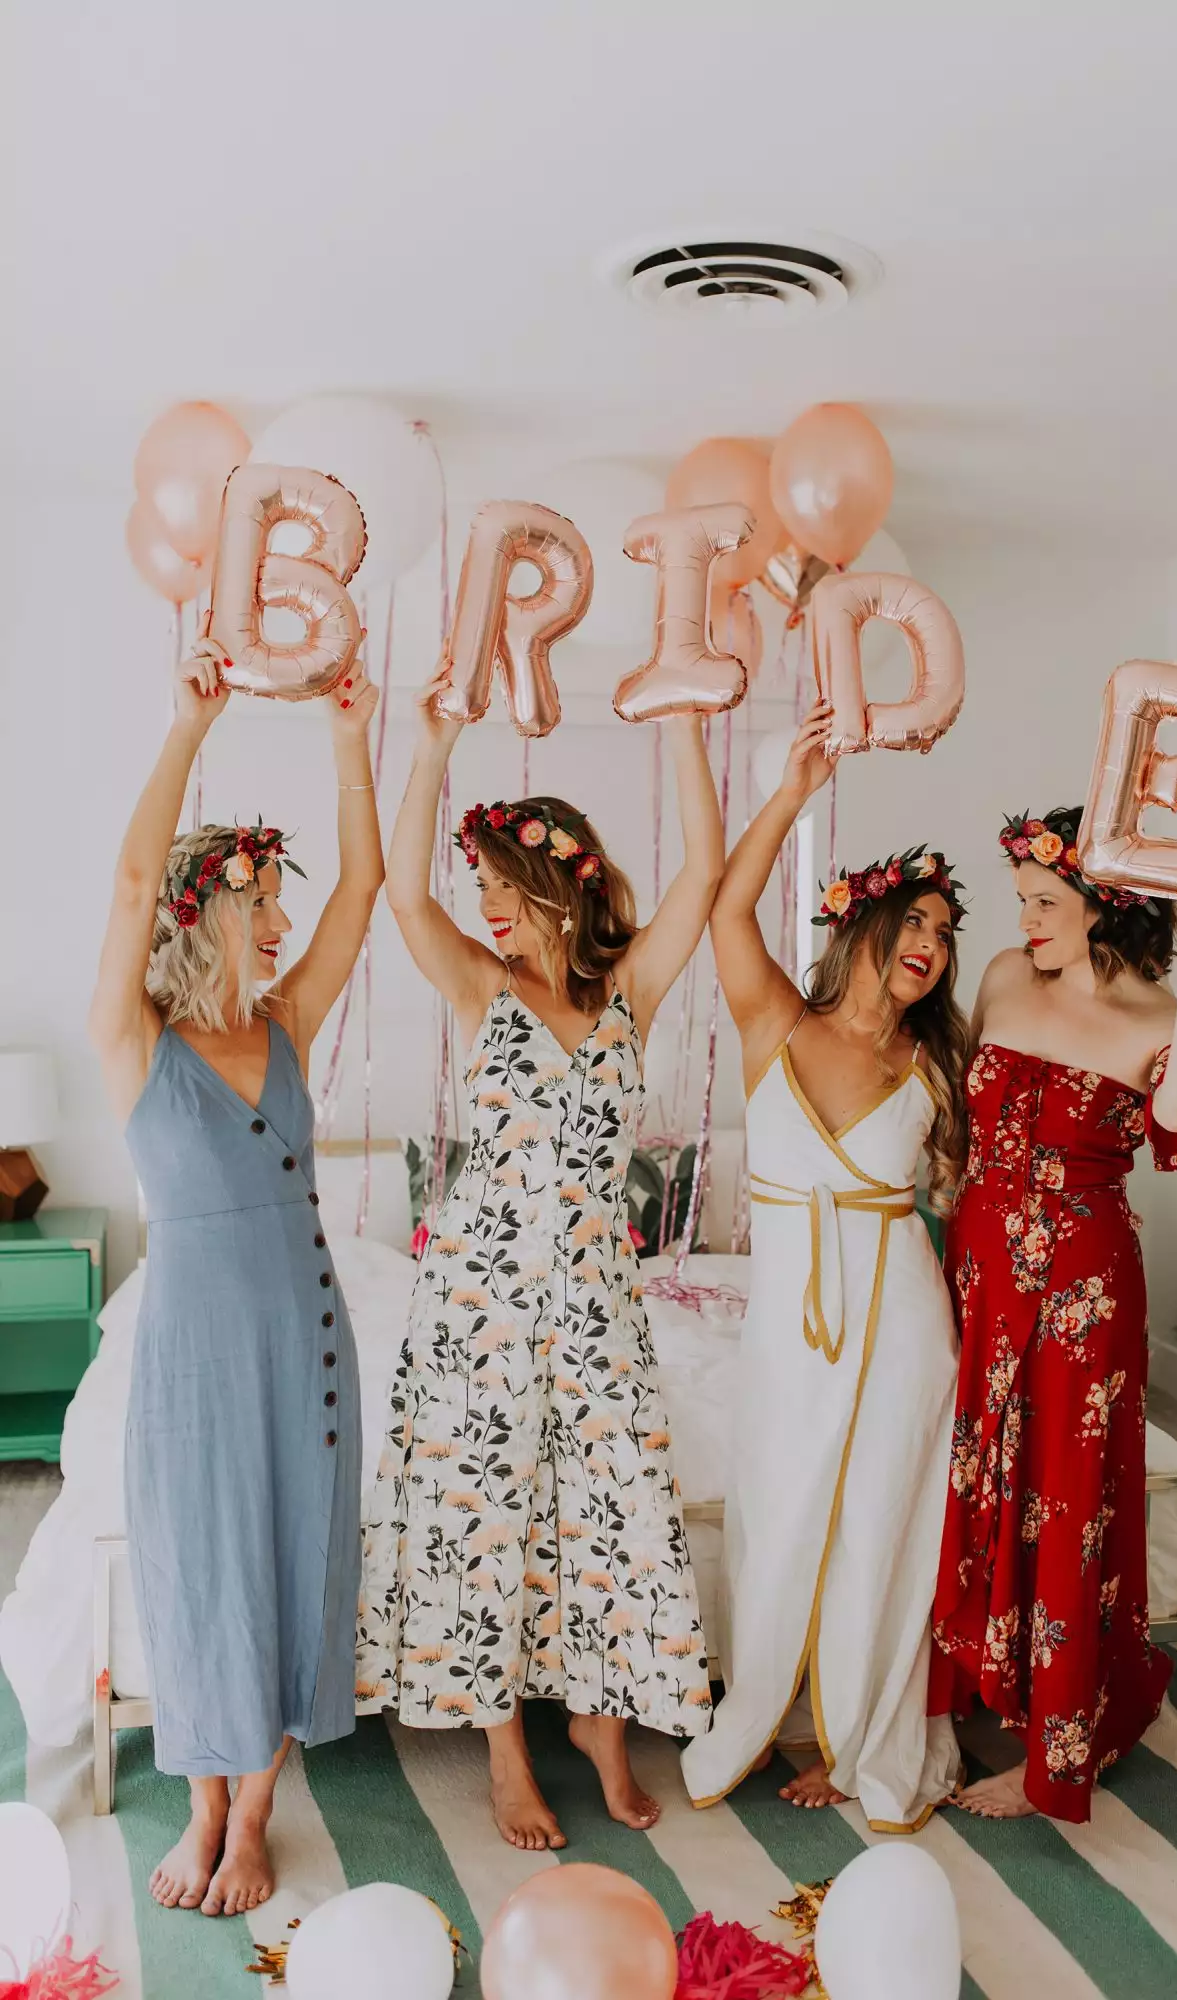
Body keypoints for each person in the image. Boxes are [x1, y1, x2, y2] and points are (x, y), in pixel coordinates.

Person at [356, 673, 723, 1852]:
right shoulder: (482, 985)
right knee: (490, 1514)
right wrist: (431, 745)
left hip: (598, 1301)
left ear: (562, 886)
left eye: (507, 889)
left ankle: (601, 1722)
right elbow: (403, 897)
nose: (489, 907)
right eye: (486, 891)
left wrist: (682, 731)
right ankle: (506, 1740)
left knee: (613, 1502)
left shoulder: (629, 992)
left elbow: (704, 876)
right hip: (477, 1302)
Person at [88, 641, 384, 1914]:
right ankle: (199, 1799)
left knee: (289, 1558)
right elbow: (129, 877)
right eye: (259, 899)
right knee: (203, 1564)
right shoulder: (134, 1042)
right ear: (207, 910)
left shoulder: (285, 1024)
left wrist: (349, 737)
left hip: (308, 1338)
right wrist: (188, 726)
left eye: (276, 900)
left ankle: (253, 1811)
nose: (278, 920)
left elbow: (365, 886)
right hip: (196, 1350)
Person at [681, 700, 963, 1828]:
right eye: (922, 918)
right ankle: (761, 1715)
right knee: (780, 1503)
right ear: (870, 921)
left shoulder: (936, 1054)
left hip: (902, 1311)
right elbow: (725, 905)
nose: (934, 942)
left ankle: (857, 1744)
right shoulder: (774, 1022)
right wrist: (791, 789)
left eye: (947, 931)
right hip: (790, 1322)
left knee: (882, 1515)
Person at [929, 806, 1177, 1821]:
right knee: (978, 1471)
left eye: (1044, 902)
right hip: (978, 1270)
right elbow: (964, 1121)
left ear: (1102, 905)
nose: (1025, 921)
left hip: (1082, 1286)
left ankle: (1056, 1747)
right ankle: (981, 1684)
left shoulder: (1152, 1017)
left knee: (1065, 1492)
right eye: (1019, 900)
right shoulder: (1006, 979)